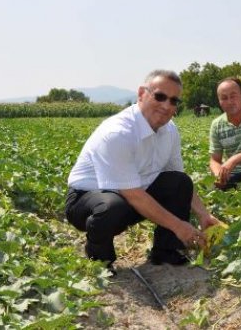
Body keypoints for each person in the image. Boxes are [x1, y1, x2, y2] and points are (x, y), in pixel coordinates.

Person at [65, 70, 220, 272]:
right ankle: (100, 261)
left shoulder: (170, 131)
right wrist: (180, 227)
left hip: (134, 194)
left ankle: (165, 252)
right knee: (112, 206)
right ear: (141, 94)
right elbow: (132, 194)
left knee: (180, 182)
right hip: (86, 199)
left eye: (173, 101)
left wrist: (203, 215)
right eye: (160, 96)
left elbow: (177, 179)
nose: (166, 105)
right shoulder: (118, 133)